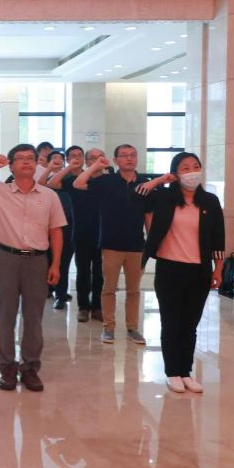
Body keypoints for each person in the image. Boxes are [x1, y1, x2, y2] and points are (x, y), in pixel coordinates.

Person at [0, 144, 65, 393]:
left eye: (31, 158)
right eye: (20, 158)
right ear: (10, 166)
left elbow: (56, 230)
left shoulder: (49, 195)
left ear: (36, 164)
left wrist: (55, 264)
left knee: (33, 316)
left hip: (37, 260)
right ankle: (7, 367)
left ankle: (30, 367)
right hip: (6, 258)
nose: (26, 162)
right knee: (6, 315)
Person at [134, 152, 224, 393]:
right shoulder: (164, 197)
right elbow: (137, 196)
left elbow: (218, 237)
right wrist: (159, 180)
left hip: (199, 270)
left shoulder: (210, 202)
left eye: (196, 166)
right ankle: (172, 372)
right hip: (170, 269)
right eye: (185, 168)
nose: (192, 171)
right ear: (175, 172)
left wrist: (218, 269)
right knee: (171, 322)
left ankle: (186, 371)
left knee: (190, 324)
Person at [73, 144, 147, 345]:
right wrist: (96, 165)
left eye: (133, 155)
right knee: (109, 288)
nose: (129, 159)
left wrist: (150, 244)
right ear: (115, 160)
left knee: (134, 290)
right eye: (124, 155)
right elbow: (78, 183)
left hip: (136, 244)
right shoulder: (106, 181)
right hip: (111, 243)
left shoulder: (144, 183)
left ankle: (133, 328)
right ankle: (109, 327)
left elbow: (149, 214)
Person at [48, 147, 105, 322]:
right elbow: (52, 183)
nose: (97, 161)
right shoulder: (75, 181)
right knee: (83, 272)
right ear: (87, 162)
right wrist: (68, 167)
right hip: (81, 232)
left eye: (100, 157)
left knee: (99, 272)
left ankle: (97, 306)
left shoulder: (109, 181)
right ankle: (83, 307)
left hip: (104, 233)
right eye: (92, 158)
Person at [38, 151, 74, 311]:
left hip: (68, 226)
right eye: (53, 158)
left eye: (60, 158)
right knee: (47, 259)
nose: (57, 160)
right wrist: (49, 169)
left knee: (63, 262)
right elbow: (40, 184)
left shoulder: (68, 178)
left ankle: (61, 295)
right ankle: (48, 288)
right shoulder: (45, 177)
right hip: (47, 226)